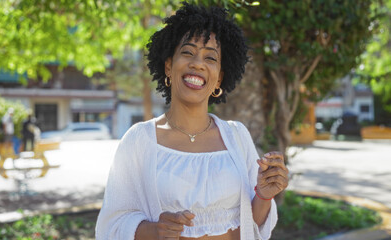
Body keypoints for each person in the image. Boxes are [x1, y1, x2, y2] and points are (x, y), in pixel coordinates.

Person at [96, 3, 289, 240]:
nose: (198, 63)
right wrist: (155, 230)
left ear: (219, 79)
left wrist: (264, 195)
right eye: (188, 52)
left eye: (210, 57)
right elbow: (112, 225)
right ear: (168, 66)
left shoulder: (237, 137)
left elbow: (251, 226)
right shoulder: (140, 140)